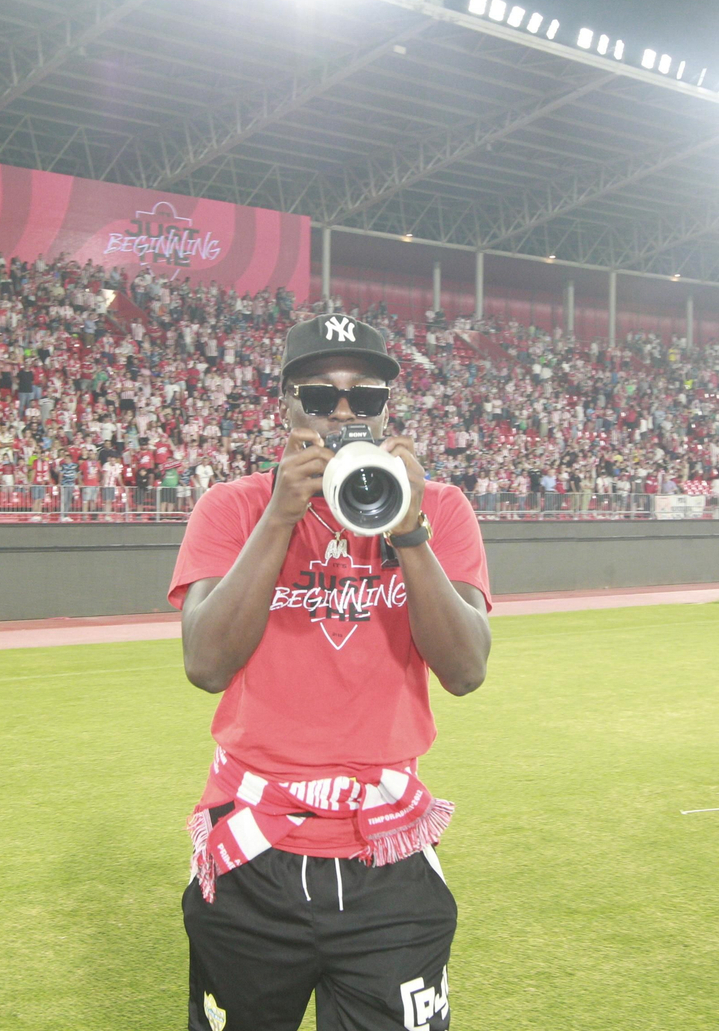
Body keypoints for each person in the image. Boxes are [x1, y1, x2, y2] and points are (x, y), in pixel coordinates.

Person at [168, 314, 491, 1031]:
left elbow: (466, 669)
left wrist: (409, 532)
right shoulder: (233, 507)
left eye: (364, 397)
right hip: (254, 849)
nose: (343, 414)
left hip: (387, 855)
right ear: (285, 405)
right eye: (319, 396)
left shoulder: (440, 509)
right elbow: (206, 663)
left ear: (388, 408)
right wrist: (279, 517)